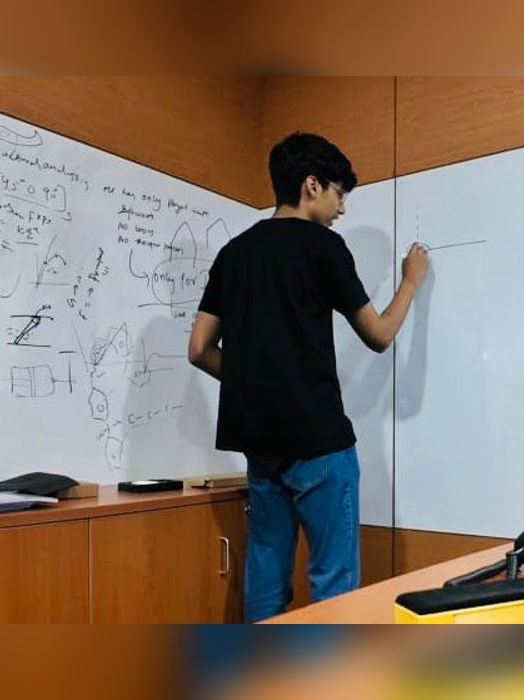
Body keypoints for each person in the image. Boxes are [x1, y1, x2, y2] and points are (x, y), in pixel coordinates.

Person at [189, 132, 430, 622]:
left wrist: (254, 381)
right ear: (312, 185)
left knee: (265, 578)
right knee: (334, 586)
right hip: (319, 442)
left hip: (261, 448)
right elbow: (379, 335)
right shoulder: (324, 247)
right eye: (340, 193)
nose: (342, 208)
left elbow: (199, 350)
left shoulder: (234, 254)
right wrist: (410, 282)